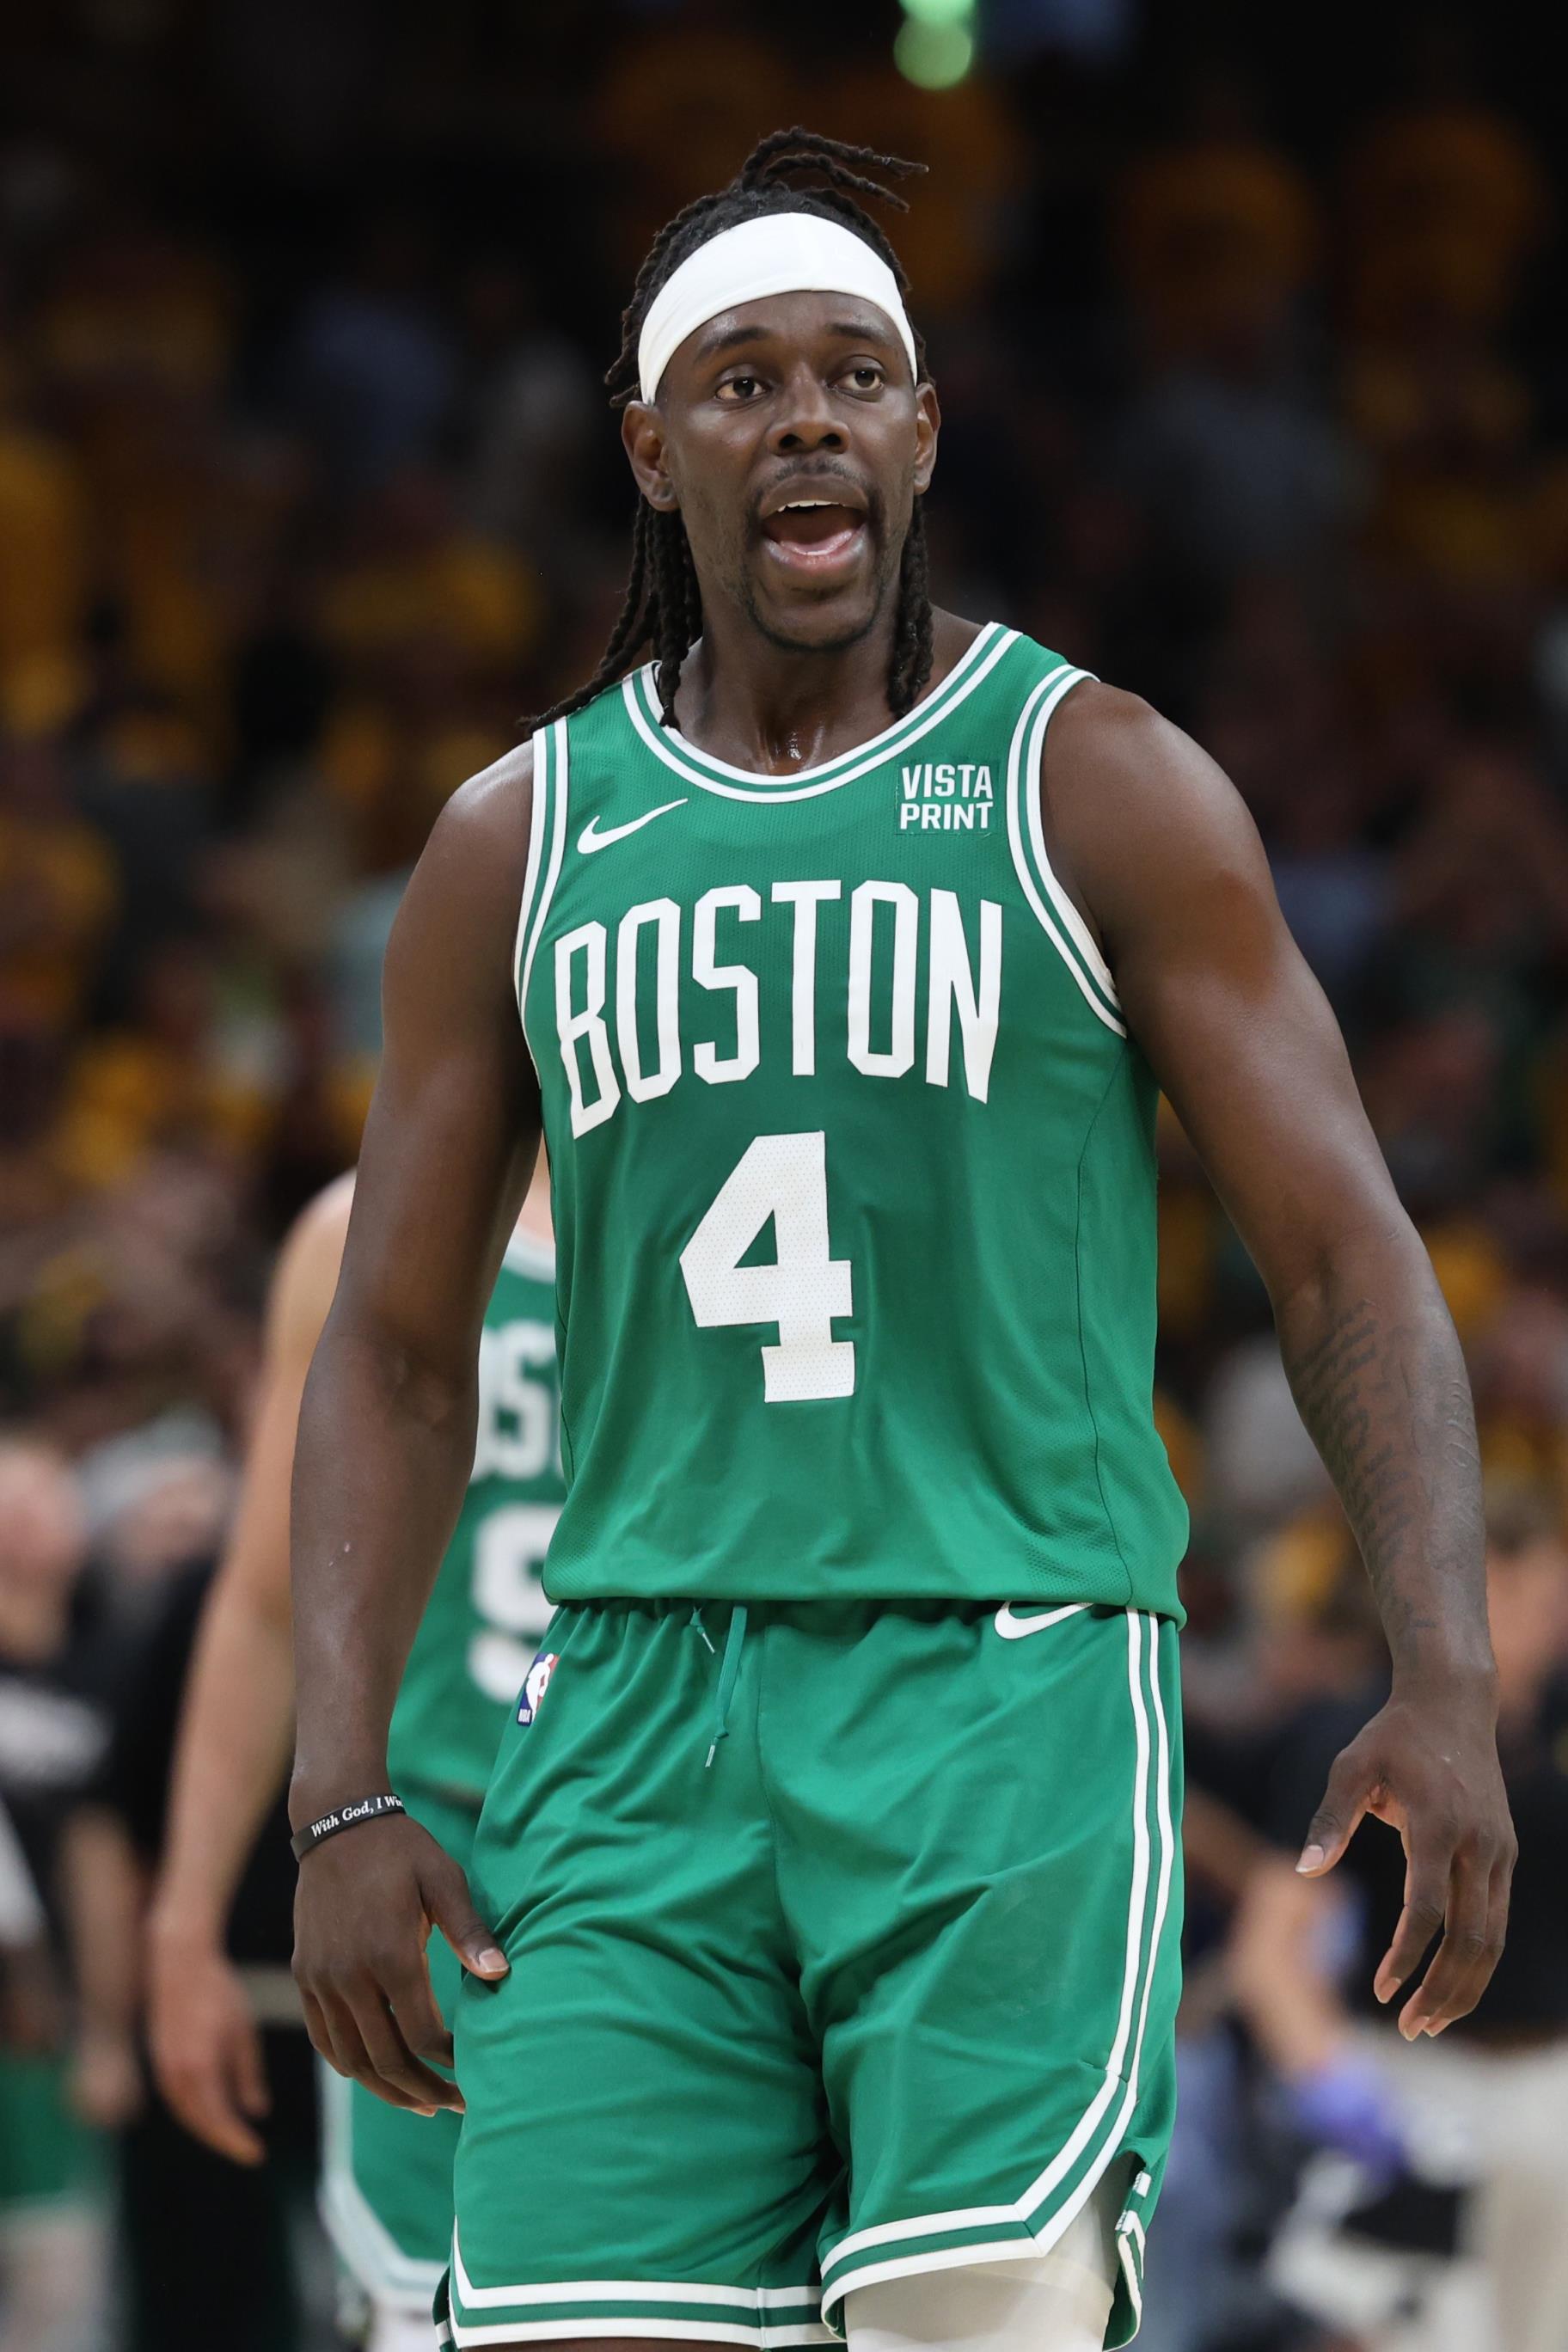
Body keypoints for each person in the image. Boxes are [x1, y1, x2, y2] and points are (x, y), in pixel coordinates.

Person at [286, 129, 1515, 2352]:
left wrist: (1443, 1676)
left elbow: (1347, 1258)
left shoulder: (1095, 780)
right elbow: (387, 1348)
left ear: (926, 432)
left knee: (980, 2325)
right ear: (649, 450)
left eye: (856, 375)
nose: (809, 419)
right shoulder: (517, 842)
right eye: (745, 382)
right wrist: (338, 1787)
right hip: (635, 1708)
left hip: (1002, 1681)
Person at [147, 1156, 560, 2350]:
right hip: (434, 1850)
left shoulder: (726, 1161)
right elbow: (266, 1599)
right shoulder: (357, 1226)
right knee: (423, 2305)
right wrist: (185, 1922)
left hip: (667, 1830)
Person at [1230, 1486, 1568, 2352]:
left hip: (1550, 2086)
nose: (1540, 1616)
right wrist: (1339, 2087)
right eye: (1511, 1592)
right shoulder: (1364, 1735)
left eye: (1548, 1593)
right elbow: (1269, 1950)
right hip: (1414, 2085)